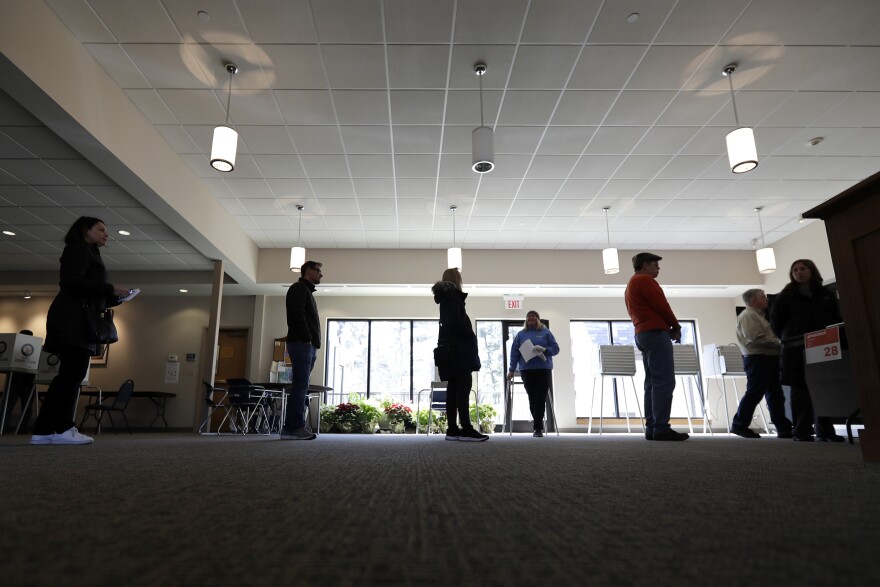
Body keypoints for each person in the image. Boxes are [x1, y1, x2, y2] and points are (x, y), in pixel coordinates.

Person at [31, 217, 131, 446]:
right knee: (72, 376)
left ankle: (44, 429)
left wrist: (114, 297)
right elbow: (72, 281)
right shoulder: (77, 249)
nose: (106, 234)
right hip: (72, 319)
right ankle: (63, 427)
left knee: (67, 376)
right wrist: (110, 288)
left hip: (78, 317)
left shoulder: (90, 253)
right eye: (101, 230)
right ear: (86, 231)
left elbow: (87, 290)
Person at [770, 259, 845, 442]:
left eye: (802, 269)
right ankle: (802, 431)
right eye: (795, 270)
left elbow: (835, 317)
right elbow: (776, 322)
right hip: (796, 347)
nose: (798, 272)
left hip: (823, 345)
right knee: (800, 388)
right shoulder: (786, 296)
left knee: (824, 386)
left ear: (811, 270)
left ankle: (826, 430)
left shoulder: (825, 294)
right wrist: (791, 337)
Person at [624, 252, 689, 441]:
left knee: (652, 382)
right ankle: (660, 427)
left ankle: (652, 426)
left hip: (642, 333)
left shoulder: (631, 284)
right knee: (664, 381)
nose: (658, 268)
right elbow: (662, 305)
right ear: (645, 265)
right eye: (655, 265)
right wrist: (675, 326)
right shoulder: (645, 280)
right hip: (655, 332)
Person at [431, 268, 488, 442]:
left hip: (451, 351)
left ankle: (453, 430)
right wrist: (470, 334)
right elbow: (454, 322)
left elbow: (449, 323)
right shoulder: (453, 297)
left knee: (453, 391)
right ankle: (467, 429)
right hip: (459, 353)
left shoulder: (446, 298)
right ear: (457, 279)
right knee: (462, 390)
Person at [730, 289, 793, 439]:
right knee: (755, 393)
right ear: (753, 300)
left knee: (775, 395)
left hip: (767, 358)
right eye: (763, 297)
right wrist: (781, 344)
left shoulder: (758, 316)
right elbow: (756, 338)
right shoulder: (749, 316)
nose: (767, 299)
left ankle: (783, 428)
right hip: (758, 358)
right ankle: (739, 425)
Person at [280, 260, 323, 441]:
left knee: (301, 386)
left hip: (306, 344)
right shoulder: (298, 288)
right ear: (308, 271)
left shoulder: (306, 291)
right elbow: (296, 315)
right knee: (300, 386)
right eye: (318, 271)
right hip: (302, 343)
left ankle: (292, 427)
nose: (321, 274)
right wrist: (307, 339)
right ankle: (293, 428)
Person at [507, 311, 560, 437]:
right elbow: (514, 353)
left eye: (533, 316)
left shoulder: (546, 333)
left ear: (538, 319)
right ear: (526, 320)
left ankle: (537, 428)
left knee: (540, 398)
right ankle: (538, 424)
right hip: (527, 370)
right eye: (529, 317)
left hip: (543, 369)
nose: (531, 318)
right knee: (532, 398)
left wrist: (545, 350)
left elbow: (556, 349)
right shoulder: (520, 335)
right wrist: (511, 369)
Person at [3, 330, 37, 433]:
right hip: (26, 380)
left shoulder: (13, 347)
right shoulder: (35, 348)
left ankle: (4, 427)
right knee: (24, 407)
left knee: (8, 406)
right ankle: (22, 428)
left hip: (17, 379)